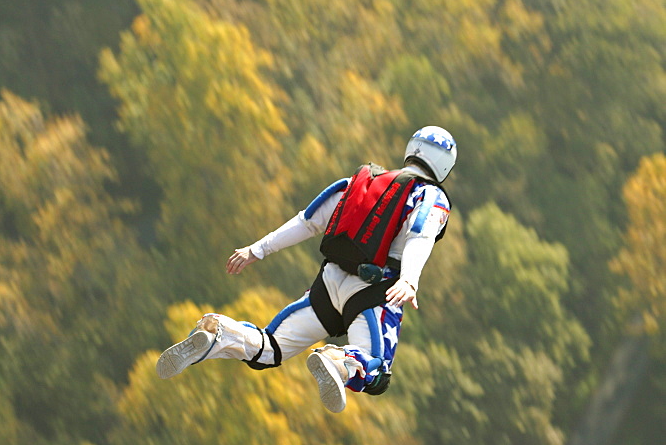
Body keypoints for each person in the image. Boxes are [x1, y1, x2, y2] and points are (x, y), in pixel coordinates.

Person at [156, 126, 456, 413]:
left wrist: (257, 250)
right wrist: (410, 280)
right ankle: (338, 362)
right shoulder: (431, 197)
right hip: (377, 291)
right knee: (376, 371)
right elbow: (421, 233)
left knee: (269, 348)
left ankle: (220, 334)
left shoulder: (360, 182)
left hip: (329, 283)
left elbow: (307, 221)